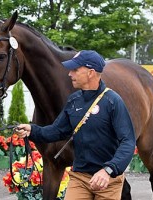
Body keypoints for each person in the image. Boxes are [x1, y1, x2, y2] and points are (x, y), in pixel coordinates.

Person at [16, 50, 136, 200]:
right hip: (80, 178)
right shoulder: (73, 101)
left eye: (75, 69)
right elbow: (57, 131)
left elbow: (128, 141)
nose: (69, 74)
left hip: (108, 180)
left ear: (90, 72)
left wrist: (109, 170)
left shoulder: (113, 101)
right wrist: (32, 130)